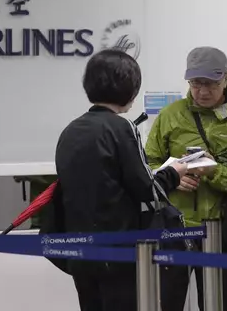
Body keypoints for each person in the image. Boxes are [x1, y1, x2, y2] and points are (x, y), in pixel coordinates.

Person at [54, 49, 187, 311]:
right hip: (118, 251)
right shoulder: (122, 128)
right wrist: (175, 172)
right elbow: (147, 190)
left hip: (80, 250)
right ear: (131, 90)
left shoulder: (71, 130)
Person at [145, 46, 227, 311]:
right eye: (195, 84)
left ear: (226, 77)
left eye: (210, 84)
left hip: (222, 230)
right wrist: (172, 178)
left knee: (218, 304)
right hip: (175, 227)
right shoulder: (170, 116)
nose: (202, 91)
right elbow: (148, 165)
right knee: (166, 303)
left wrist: (215, 173)